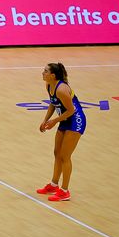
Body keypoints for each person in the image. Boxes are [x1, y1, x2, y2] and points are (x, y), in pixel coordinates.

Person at [37, 62, 86, 201]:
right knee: (56, 153)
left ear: (53, 75)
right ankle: (53, 184)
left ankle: (65, 191)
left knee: (65, 156)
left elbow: (71, 110)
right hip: (64, 119)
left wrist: (54, 121)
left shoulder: (62, 89)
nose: (42, 73)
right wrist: (45, 119)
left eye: (45, 71)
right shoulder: (49, 85)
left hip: (75, 121)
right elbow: (53, 103)